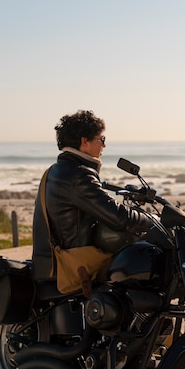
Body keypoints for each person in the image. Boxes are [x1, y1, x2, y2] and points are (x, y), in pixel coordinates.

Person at [32, 109, 153, 282]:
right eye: (102, 139)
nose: (104, 145)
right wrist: (153, 219)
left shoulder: (57, 171)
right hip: (77, 265)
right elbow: (119, 217)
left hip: (55, 260)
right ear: (84, 141)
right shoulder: (77, 175)